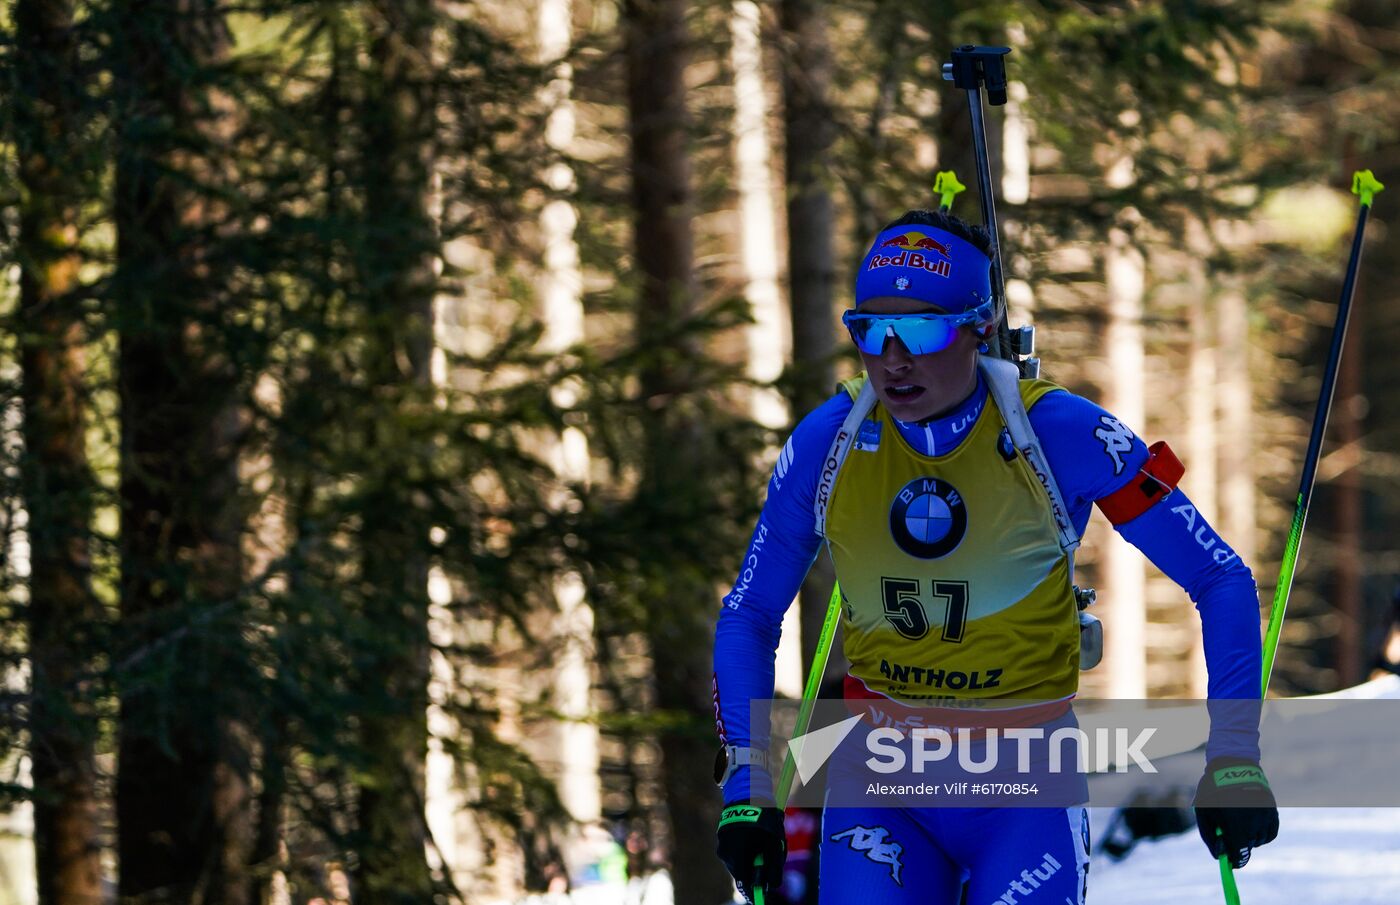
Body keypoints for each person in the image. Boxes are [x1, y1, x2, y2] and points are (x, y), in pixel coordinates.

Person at [710, 210, 1279, 904]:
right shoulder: (828, 441)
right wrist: (747, 785)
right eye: (869, 329)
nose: (894, 356)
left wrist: (1235, 758)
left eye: (922, 328)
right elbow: (750, 610)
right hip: (884, 783)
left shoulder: (1059, 431)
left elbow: (1219, 576)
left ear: (981, 326)